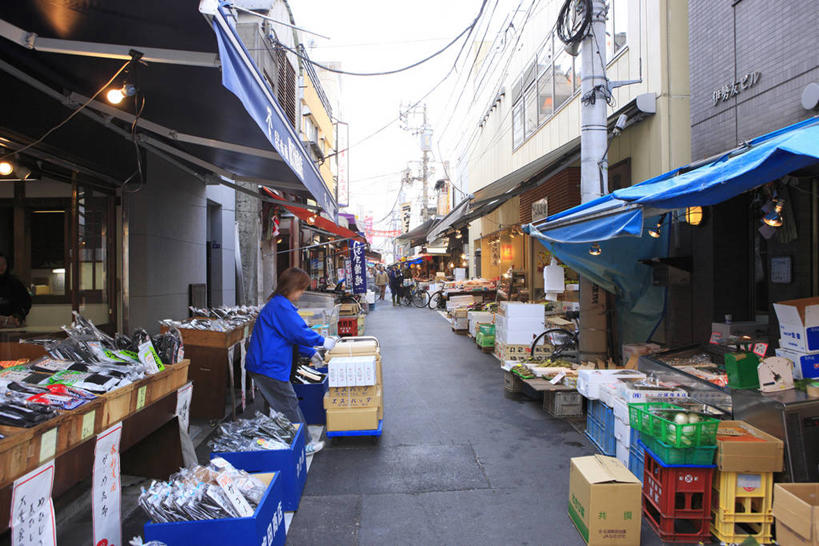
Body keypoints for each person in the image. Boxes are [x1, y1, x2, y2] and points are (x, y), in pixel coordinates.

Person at [246, 267, 337, 455]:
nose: (302, 293)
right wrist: (322, 342)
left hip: (266, 364)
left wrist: (309, 351)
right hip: (268, 365)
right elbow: (298, 332)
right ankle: (304, 445)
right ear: (292, 287)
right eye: (301, 288)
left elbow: (289, 335)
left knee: (277, 404)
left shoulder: (278, 304)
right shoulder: (280, 307)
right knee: (288, 403)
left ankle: (274, 443)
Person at [0, 252, 31, 328]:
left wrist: (17, 316)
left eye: (3, 264)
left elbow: (26, 304)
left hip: (12, 326)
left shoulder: (15, 283)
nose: (1, 267)